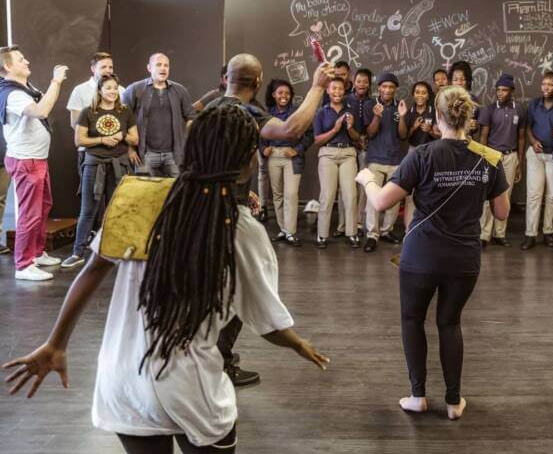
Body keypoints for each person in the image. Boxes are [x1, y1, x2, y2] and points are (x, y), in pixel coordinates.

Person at [3, 104, 328, 454]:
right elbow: (266, 322)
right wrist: (297, 343)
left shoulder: (137, 198)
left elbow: (91, 272)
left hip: (124, 380)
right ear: (249, 161)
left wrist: (56, 343)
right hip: (190, 386)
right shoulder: (241, 229)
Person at [356, 86, 510, 420]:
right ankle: (454, 402)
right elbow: (501, 213)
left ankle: (417, 396)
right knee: (450, 322)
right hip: (464, 259)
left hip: (421, 257)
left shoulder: (421, 155)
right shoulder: (490, 158)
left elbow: (382, 201)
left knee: (412, 319)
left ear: (437, 117)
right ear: (468, 118)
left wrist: (367, 178)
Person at [205, 53, 332, 388]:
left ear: (226, 78)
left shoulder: (210, 109)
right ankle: (221, 363)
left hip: (205, 209)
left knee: (218, 288)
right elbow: (291, 129)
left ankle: (214, 360)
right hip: (226, 217)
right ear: (258, 82)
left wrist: (240, 189)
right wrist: (318, 87)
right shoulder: (245, 113)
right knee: (245, 286)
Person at [0, 46, 68, 281]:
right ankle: (23, 264)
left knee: (43, 207)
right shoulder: (13, 94)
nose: (27, 61)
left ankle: (37, 253)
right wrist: (56, 82)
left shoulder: (25, 88)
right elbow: (41, 111)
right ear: (7, 67)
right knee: (29, 213)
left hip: (37, 159)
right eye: (21, 59)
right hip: (26, 162)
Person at [64, 74, 138, 270]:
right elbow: (79, 140)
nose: (113, 91)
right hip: (93, 165)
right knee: (88, 211)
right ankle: (78, 252)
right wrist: (102, 140)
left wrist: (122, 135)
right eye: (108, 88)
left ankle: (117, 251)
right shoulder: (88, 112)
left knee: (117, 209)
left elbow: (135, 138)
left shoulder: (125, 111)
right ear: (99, 91)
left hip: (119, 166)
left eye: (115, 87)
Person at [123, 53, 195, 178]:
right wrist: (130, 149)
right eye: (159, 65)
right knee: (145, 193)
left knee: (177, 192)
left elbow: (191, 116)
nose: (163, 68)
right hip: (144, 154)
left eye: (166, 65)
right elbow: (123, 120)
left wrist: (189, 143)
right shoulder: (135, 89)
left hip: (174, 155)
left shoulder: (180, 90)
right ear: (149, 68)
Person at [261, 79, 313, 247]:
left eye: (287, 93)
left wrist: (297, 150)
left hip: (291, 157)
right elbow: (259, 133)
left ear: (291, 96)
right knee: (277, 196)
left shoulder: (297, 113)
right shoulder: (267, 113)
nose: (284, 96)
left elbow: (310, 134)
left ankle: (291, 232)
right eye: (280, 93)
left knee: (291, 194)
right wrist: (263, 148)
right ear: (274, 95)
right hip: (274, 156)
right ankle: (283, 229)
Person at [314, 77, 362, 249]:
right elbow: (317, 140)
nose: (337, 92)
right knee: (327, 195)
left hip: (348, 152)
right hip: (327, 153)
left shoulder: (351, 109)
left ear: (344, 91)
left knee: (350, 195)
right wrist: (335, 129)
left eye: (340, 89)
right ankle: (322, 235)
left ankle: (352, 233)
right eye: (333, 89)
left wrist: (350, 128)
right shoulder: (322, 112)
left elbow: (358, 139)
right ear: (328, 90)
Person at [521, 71, 553, 250]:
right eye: (544, 84)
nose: (546, 88)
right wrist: (532, 142)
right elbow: (528, 128)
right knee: (534, 195)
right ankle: (530, 234)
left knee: (552, 195)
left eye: (551, 84)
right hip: (536, 155)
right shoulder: (534, 104)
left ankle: (548, 231)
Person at [478, 73, 525, 247]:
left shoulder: (519, 110)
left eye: (504, 90)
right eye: (498, 90)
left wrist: (520, 162)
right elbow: (483, 136)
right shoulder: (489, 109)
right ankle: (484, 235)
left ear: (512, 91)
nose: (500, 93)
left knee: (506, 194)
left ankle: (500, 233)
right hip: (491, 154)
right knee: (488, 196)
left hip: (511, 155)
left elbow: (521, 138)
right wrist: (483, 158)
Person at [361, 73, 405, 252]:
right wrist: (377, 117)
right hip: (375, 159)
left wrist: (402, 116)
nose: (387, 90)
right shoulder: (370, 104)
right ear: (378, 88)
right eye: (384, 87)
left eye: (391, 87)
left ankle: (387, 230)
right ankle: (372, 234)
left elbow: (403, 135)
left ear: (395, 89)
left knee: (393, 199)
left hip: (395, 158)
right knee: (373, 199)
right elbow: (370, 133)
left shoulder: (400, 106)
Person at [66, 53, 129, 171]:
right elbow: (74, 123)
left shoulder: (121, 90)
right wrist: (100, 140)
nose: (108, 70)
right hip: (88, 153)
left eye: (110, 67)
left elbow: (127, 121)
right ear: (93, 69)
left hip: (118, 153)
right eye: (103, 67)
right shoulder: (80, 90)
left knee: (118, 189)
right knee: (90, 189)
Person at [336, 67, 372, 239]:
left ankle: (357, 222)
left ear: (369, 84)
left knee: (362, 188)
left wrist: (363, 141)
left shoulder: (372, 102)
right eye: (359, 81)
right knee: (345, 188)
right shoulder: (345, 99)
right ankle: (343, 224)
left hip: (365, 149)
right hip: (348, 148)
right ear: (353, 82)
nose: (362, 84)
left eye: (365, 82)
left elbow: (371, 128)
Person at [399, 81, 438, 228]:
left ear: (428, 95)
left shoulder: (434, 112)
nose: (420, 95)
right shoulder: (408, 112)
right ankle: (409, 228)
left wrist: (430, 131)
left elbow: (441, 137)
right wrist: (413, 129)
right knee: (411, 194)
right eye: (417, 92)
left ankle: (429, 228)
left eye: (423, 92)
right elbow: (403, 137)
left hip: (432, 153)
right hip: (413, 152)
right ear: (413, 94)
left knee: (431, 192)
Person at [450, 61, 480, 140]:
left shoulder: (473, 100)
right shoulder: (445, 99)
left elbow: (475, 128)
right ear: (451, 81)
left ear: (468, 81)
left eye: (462, 79)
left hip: (466, 144)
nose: (459, 83)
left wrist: (475, 125)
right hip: (449, 144)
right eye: (455, 80)